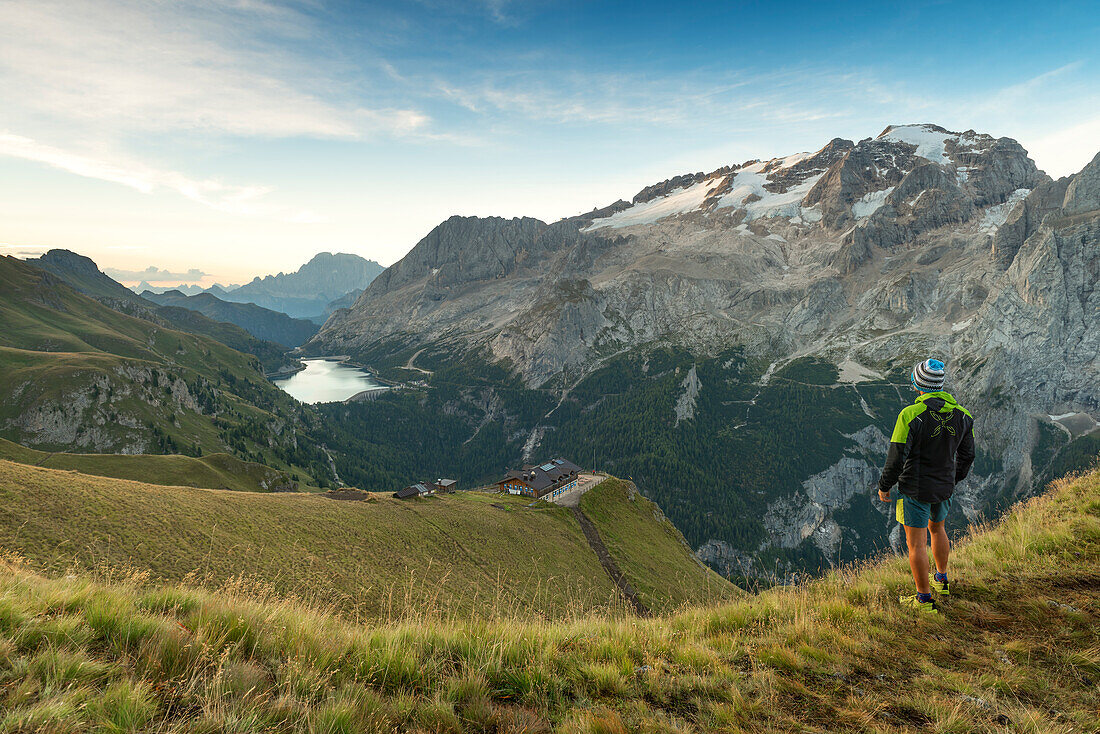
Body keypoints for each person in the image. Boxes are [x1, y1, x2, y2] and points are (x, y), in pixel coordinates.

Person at [877, 358, 975, 614]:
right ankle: (941, 580)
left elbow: (897, 455)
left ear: (918, 385)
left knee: (916, 544)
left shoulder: (910, 415)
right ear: (940, 384)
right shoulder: (963, 416)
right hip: (944, 486)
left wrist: (884, 485)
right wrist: (953, 479)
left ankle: (923, 599)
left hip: (915, 488)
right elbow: (968, 456)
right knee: (938, 529)